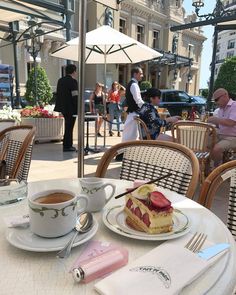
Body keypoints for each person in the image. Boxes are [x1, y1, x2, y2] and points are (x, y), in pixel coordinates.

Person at [207, 88, 236, 167]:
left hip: (232, 137)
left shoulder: (234, 106)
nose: (216, 102)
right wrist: (213, 125)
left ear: (225, 96)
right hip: (221, 135)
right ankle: (206, 169)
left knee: (216, 149)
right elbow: (221, 124)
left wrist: (216, 120)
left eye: (216, 99)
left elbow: (231, 122)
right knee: (203, 142)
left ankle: (217, 170)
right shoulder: (220, 109)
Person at [54, 64, 77, 152]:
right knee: (69, 127)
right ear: (74, 71)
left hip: (62, 107)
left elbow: (58, 94)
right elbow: (75, 95)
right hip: (71, 108)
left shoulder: (60, 80)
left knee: (67, 126)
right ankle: (68, 145)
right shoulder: (73, 81)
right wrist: (77, 108)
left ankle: (66, 144)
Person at [122, 66, 144, 142]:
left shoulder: (132, 84)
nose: (142, 76)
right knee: (131, 137)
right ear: (135, 74)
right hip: (134, 114)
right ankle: (124, 152)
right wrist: (147, 107)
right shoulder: (134, 85)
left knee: (130, 136)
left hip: (132, 114)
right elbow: (138, 100)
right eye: (140, 74)